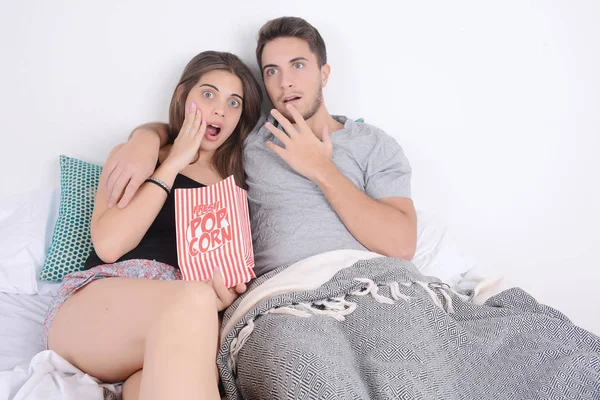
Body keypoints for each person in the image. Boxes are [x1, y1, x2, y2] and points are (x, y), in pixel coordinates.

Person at [104, 17, 418, 276]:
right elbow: (205, 123)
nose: (285, 82)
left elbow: (401, 247)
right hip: (285, 297)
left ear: (324, 73)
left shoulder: (373, 144)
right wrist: (144, 139)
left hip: (375, 282)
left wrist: (321, 168)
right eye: (272, 71)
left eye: (298, 65)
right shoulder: (254, 137)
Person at [43, 50, 263, 400]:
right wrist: (172, 159)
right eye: (208, 94)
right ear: (182, 96)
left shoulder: (238, 185)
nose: (220, 109)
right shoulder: (140, 156)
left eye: (234, 103)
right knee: (194, 299)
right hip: (95, 307)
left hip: (173, 328)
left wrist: (223, 293)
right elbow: (110, 244)